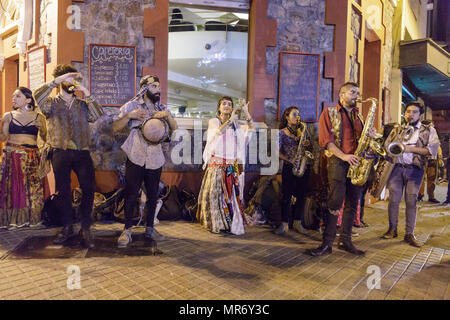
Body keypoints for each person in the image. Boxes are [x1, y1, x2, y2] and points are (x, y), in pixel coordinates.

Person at [34, 64, 103, 248]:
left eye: (73, 78)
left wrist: (87, 92)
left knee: (88, 188)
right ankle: (67, 227)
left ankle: (85, 227)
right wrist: (56, 80)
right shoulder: (50, 104)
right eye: (67, 78)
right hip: (60, 151)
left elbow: (97, 115)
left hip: (82, 152)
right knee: (63, 191)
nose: (71, 81)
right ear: (59, 81)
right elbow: (37, 96)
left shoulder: (82, 104)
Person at [305, 82, 377, 257]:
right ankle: (327, 244)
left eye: (358, 92)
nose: (357, 96)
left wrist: (372, 136)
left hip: (357, 164)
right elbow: (326, 142)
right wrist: (344, 156)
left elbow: (365, 141)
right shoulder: (329, 113)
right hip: (338, 162)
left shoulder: (360, 117)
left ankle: (346, 240)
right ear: (341, 95)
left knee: (353, 204)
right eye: (353, 92)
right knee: (334, 203)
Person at [112, 75, 177, 248]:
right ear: (144, 89)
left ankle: (150, 228)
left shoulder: (163, 108)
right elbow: (115, 127)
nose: (158, 89)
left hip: (155, 157)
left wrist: (168, 117)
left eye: (159, 86)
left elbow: (175, 129)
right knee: (131, 193)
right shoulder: (131, 106)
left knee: (153, 193)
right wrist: (129, 116)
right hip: (136, 155)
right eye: (154, 86)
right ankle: (127, 230)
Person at [381, 102, 440, 247]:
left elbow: (430, 150)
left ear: (420, 115)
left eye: (414, 112)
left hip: (415, 170)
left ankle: (409, 234)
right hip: (396, 169)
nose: (410, 114)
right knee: (393, 200)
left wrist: (409, 149)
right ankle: (392, 229)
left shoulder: (429, 130)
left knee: (411, 201)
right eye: (408, 111)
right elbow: (388, 146)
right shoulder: (398, 128)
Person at [196, 96, 255, 235]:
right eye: (224, 104)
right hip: (216, 165)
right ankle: (216, 223)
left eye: (229, 104)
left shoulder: (236, 125)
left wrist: (246, 112)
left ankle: (229, 223)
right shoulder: (214, 121)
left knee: (229, 197)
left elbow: (251, 128)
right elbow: (217, 133)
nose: (227, 106)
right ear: (219, 107)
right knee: (214, 195)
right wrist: (230, 120)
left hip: (231, 166)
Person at [0, 87, 47, 229]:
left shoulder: (39, 117)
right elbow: (3, 138)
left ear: (28, 99)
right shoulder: (9, 115)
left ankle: (32, 219)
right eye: (13, 96)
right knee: (13, 188)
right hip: (13, 155)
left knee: (34, 189)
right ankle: (13, 220)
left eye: (18, 96)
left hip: (32, 156)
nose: (13, 98)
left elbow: (45, 138)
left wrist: (43, 129)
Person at [274, 106, 312, 235]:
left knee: (301, 195)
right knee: (286, 196)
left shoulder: (303, 131)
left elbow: (309, 148)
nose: (297, 117)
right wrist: (289, 159)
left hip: (302, 166)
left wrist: (307, 145)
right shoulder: (281, 133)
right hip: (289, 167)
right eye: (294, 114)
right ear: (287, 117)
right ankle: (284, 224)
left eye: (298, 114)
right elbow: (276, 152)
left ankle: (298, 222)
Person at [417, 121, 439, 203]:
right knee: (421, 178)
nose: (433, 125)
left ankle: (431, 196)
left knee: (432, 177)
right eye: (431, 124)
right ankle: (420, 195)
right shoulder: (421, 134)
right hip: (423, 158)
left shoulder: (434, 133)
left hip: (433, 158)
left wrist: (439, 157)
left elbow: (437, 145)